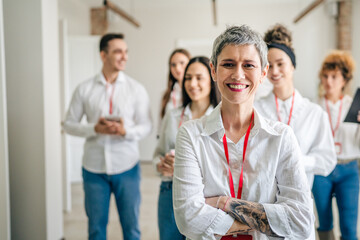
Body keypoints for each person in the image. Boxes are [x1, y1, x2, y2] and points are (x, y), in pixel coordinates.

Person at [173, 25, 313, 240]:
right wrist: (268, 221)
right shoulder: (191, 135)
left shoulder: (281, 137)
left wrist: (223, 203)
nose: (238, 75)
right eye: (228, 64)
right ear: (213, 70)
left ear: (263, 73)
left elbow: (301, 221)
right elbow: (188, 219)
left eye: (248, 65)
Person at [63, 33, 152, 240]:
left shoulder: (136, 89)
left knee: (132, 229)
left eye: (126, 51)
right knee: (96, 229)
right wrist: (95, 128)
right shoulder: (84, 89)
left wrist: (125, 131)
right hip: (94, 170)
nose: (124, 56)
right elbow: (69, 125)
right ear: (103, 55)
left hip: (127, 167)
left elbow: (147, 125)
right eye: (118, 51)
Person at [254, 24, 337, 187]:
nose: (275, 71)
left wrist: (297, 160)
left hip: (301, 197)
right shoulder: (256, 109)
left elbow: (327, 160)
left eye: (280, 63)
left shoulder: (314, 113)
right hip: (264, 197)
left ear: (292, 65)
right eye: (269, 65)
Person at [153, 56, 219, 240]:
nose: (192, 83)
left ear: (212, 80)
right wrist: (161, 165)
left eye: (199, 78)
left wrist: (184, 167)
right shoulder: (173, 116)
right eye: (188, 78)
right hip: (170, 190)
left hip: (207, 195)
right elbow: (157, 155)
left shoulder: (221, 118)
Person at [312, 50, 360, 240]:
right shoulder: (313, 107)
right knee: (324, 223)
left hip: (348, 168)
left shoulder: (354, 106)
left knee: (349, 228)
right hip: (321, 171)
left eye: (334, 76)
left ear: (344, 80)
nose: (328, 81)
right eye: (325, 76)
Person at [160, 49, 191, 119]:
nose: (177, 68)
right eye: (173, 65)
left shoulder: (196, 92)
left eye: (182, 63)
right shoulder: (166, 96)